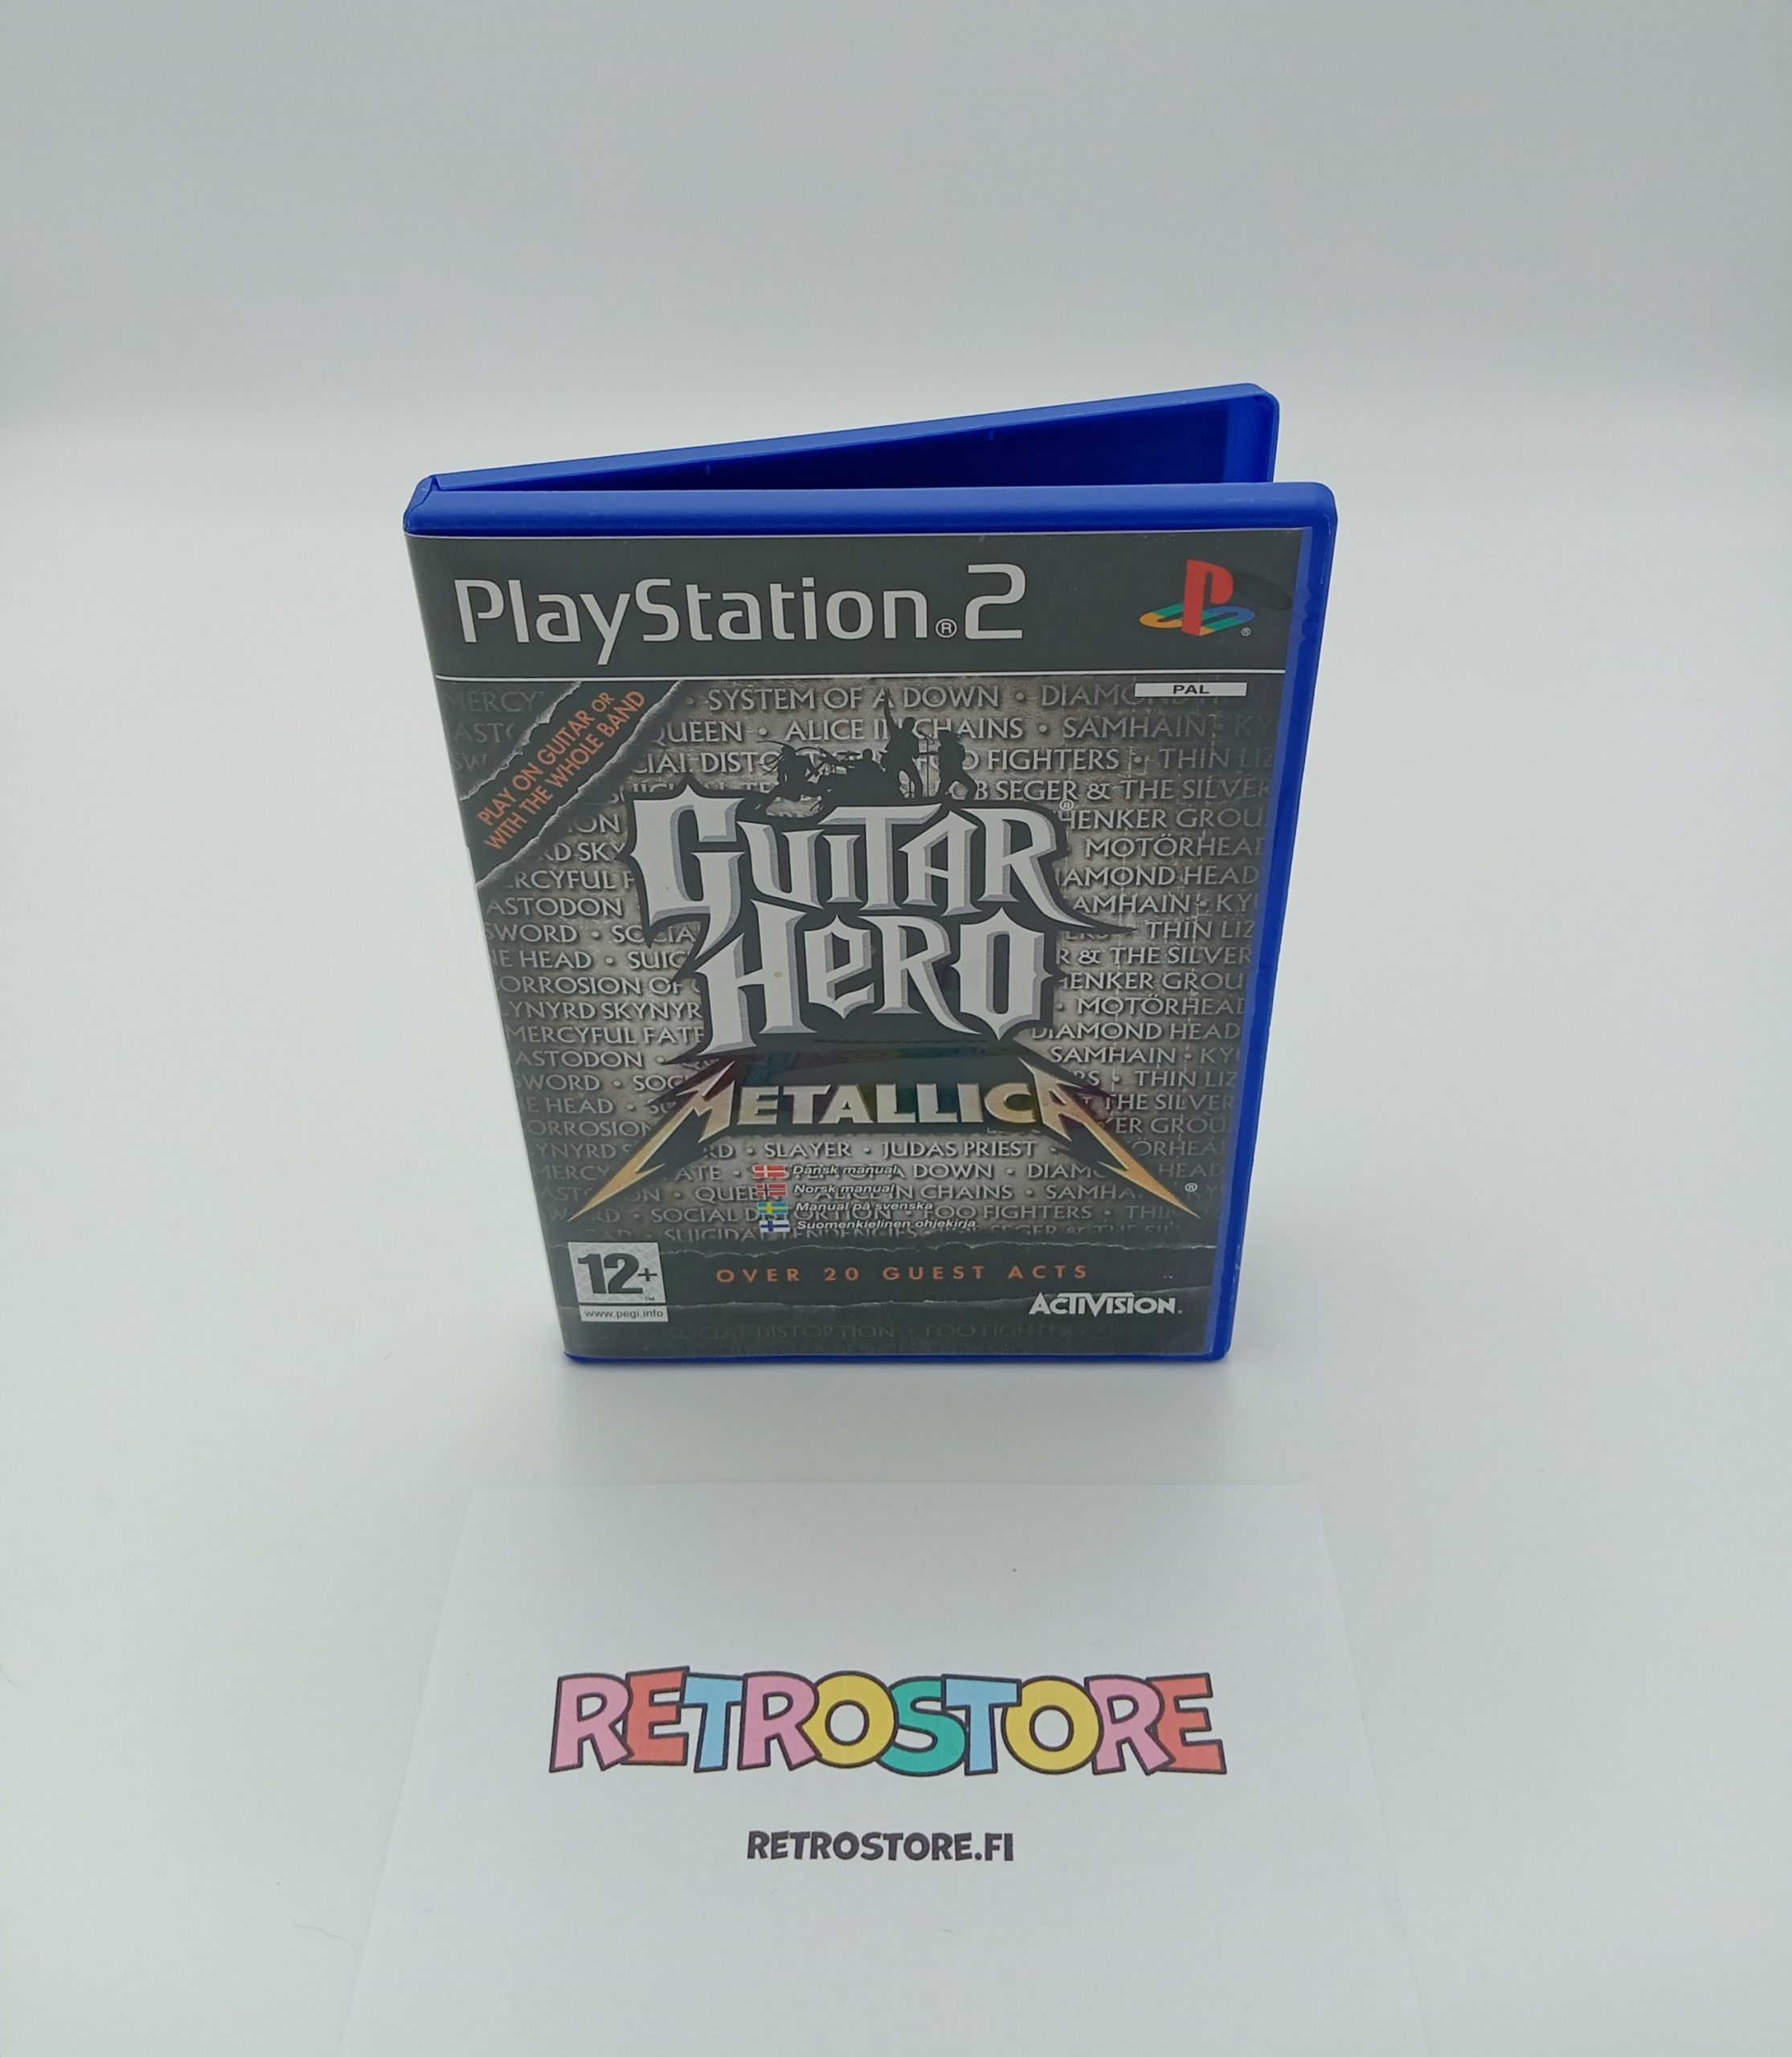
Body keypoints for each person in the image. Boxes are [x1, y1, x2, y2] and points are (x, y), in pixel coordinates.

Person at [878, 691, 925, 799]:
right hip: (903, 761)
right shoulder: (913, 738)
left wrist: (886, 701)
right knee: (918, 784)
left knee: (889, 783)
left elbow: (888, 717)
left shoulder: (897, 733)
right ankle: (917, 801)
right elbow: (916, 755)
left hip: (895, 761)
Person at [935, 727, 978, 799]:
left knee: (941, 792)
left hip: (952, 773)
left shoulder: (943, 748)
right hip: (955, 772)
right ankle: (968, 802)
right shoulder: (955, 747)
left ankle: (967, 803)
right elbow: (962, 757)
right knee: (973, 787)